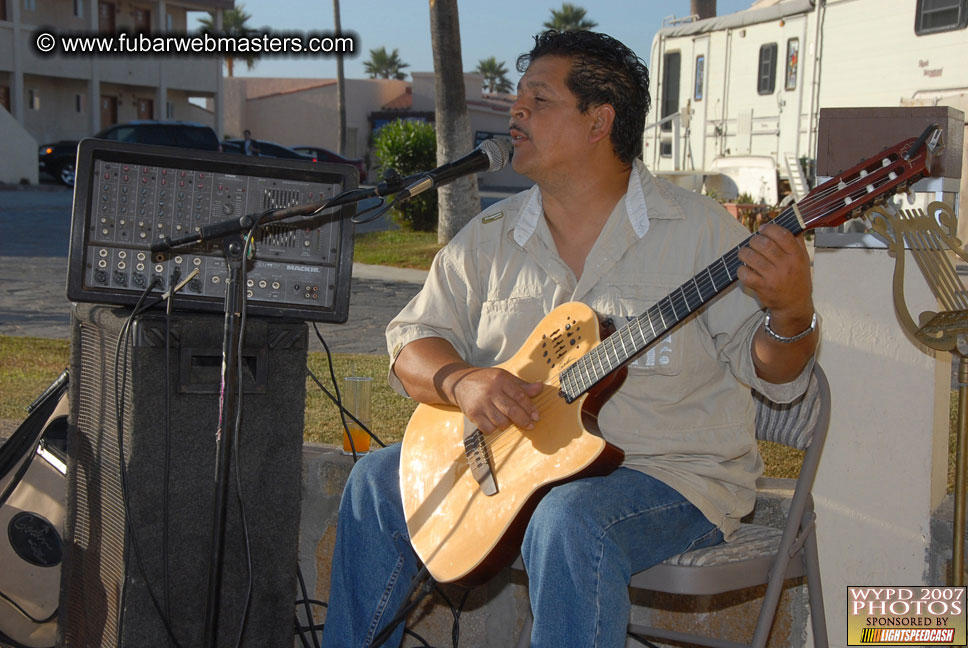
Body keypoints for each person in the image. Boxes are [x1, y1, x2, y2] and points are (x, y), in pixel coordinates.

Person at [321, 30, 818, 648]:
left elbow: (775, 371)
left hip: (670, 478)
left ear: (598, 122)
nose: (515, 111)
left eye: (539, 98)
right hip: (520, 469)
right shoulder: (492, 236)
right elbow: (411, 342)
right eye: (518, 97)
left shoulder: (701, 232)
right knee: (375, 482)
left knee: (570, 519)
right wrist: (464, 380)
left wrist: (792, 313)